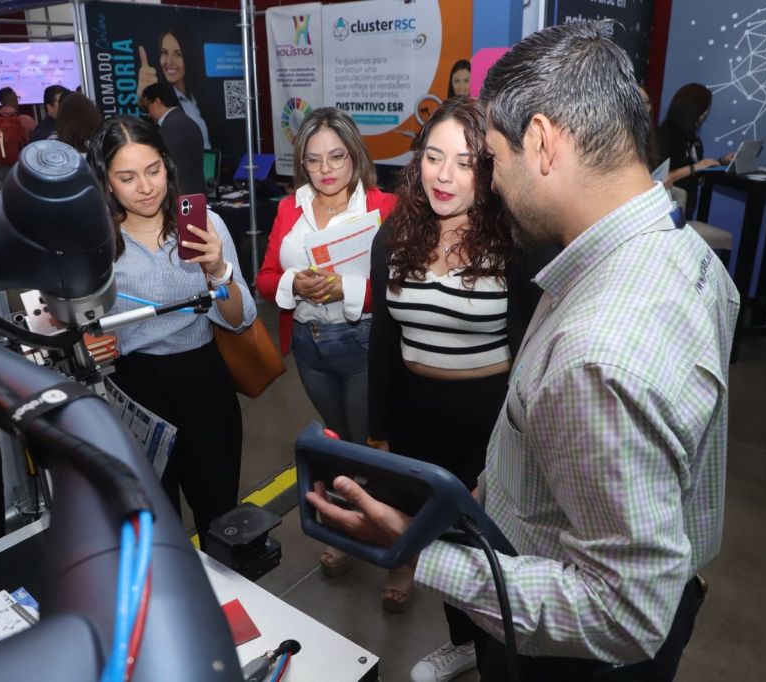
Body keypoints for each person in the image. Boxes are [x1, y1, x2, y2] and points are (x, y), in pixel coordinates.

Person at [307, 21, 739, 681]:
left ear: (539, 140)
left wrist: (416, 550)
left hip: (572, 653)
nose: (492, 182)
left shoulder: (600, 351)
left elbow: (622, 612)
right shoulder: (687, 256)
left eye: (493, 159)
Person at [368, 96, 553, 678]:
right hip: (416, 415)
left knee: (495, 552)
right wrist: (379, 432)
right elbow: (382, 342)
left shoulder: (517, 244)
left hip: (491, 416)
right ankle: (464, 643)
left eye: (465, 161)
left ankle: (502, 652)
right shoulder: (394, 236)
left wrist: (509, 454)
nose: (443, 176)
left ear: (491, 168)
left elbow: (531, 355)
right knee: (442, 546)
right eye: (432, 157)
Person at [86, 116, 256, 547]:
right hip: (133, 390)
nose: (146, 187)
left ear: (168, 165)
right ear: (106, 182)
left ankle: (225, 607)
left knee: (220, 516)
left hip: (205, 384)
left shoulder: (206, 225)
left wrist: (217, 269)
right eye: (127, 177)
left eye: (154, 170)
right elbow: (77, 325)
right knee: (154, 524)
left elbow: (240, 318)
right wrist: (91, 342)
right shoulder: (94, 240)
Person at [255, 107, 395, 579]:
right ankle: (353, 531)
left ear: (355, 157)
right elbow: (266, 277)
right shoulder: (288, 207)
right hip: (309, 347)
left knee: (370, 450)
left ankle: (400, 552)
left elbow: (403, 287)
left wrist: (346, 289)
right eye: (314, 160)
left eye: (336, 157)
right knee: (339, 444)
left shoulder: (384, 207)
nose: (326, 170)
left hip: (363, 344)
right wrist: (295, 284)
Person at [655, 83, 734, 216]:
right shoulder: (663, 136)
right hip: (666, 209)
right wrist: (695, 167)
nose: (705, 115)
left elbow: (698, 168)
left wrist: (721, 162)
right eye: (704, 110)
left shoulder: (695, 141)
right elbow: (660, 178)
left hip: (687, 208)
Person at [136, 29, 211, 148]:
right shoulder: (161, 98)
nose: (169, 61)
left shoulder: (202, 96)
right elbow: (150, 138)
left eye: (178, 54)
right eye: (164, 53)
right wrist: (144, 99)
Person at [142, 81, 206, 196]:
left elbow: (158, 163)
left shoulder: (171, 127)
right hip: (192, 195)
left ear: (157, 102)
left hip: (182, 197)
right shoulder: (184, 121)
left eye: (147, 107)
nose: (148, 114)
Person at [0, 87, 36, 183]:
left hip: (4, 170)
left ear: (0, 101)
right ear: (14, 99)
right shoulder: (27, 120)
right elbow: (37, 145)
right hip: (25, 168)